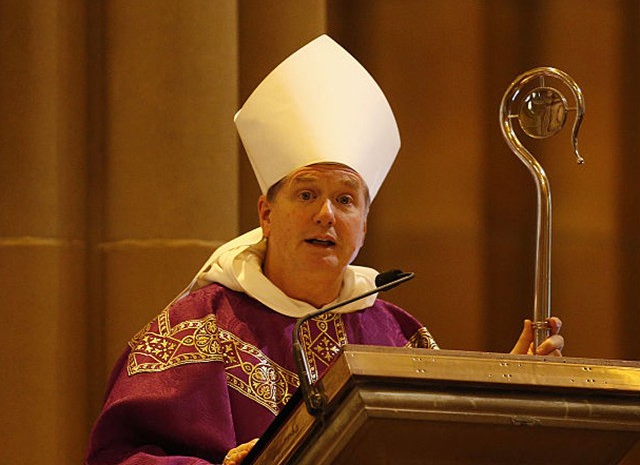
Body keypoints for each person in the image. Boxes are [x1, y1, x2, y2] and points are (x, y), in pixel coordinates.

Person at [85, 35, 563, 465]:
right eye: (307, 194)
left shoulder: (396, 333)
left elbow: (445, 448)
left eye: (346, 199)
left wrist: (507, 393)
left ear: (364, 227)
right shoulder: (195, 329)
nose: (327, 215)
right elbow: (120, 458)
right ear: (266, 214)